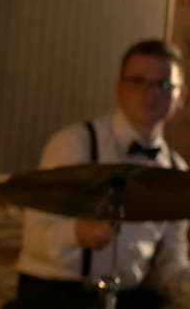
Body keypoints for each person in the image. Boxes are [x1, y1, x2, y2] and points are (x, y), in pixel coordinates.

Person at [12, 39, 190, 309]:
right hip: (56, 294)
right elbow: (33, 238)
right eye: (138, 82)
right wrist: (75, 233)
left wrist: (184, 284)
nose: (150, 94)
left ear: (182, 97)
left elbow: (170, 260)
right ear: (119, 89)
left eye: (163, 85)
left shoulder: (178, 172)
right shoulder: (75, 143)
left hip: (129, 296)